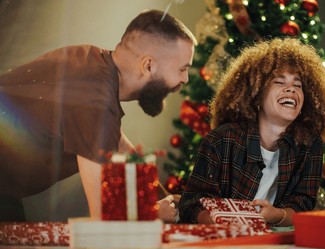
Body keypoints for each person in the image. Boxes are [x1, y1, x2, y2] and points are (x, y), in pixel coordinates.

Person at [0, 9, 197, 222]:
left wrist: (165, 199)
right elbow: (102, 216)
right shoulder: (95, 102)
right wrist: (153, 213)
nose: (185, 79)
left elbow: (122, 148)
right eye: (182, 69)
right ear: (148, 65)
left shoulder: (94, 64)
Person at [178, 37, 325, 226]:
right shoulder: (222, 140)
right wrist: (226, 221)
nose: (290, 89)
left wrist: (275, 215)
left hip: (273, 244)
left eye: (297, 85)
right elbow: (190, 206)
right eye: (280, 82)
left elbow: (302, 206)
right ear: (257, 95)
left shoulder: (310, 145)